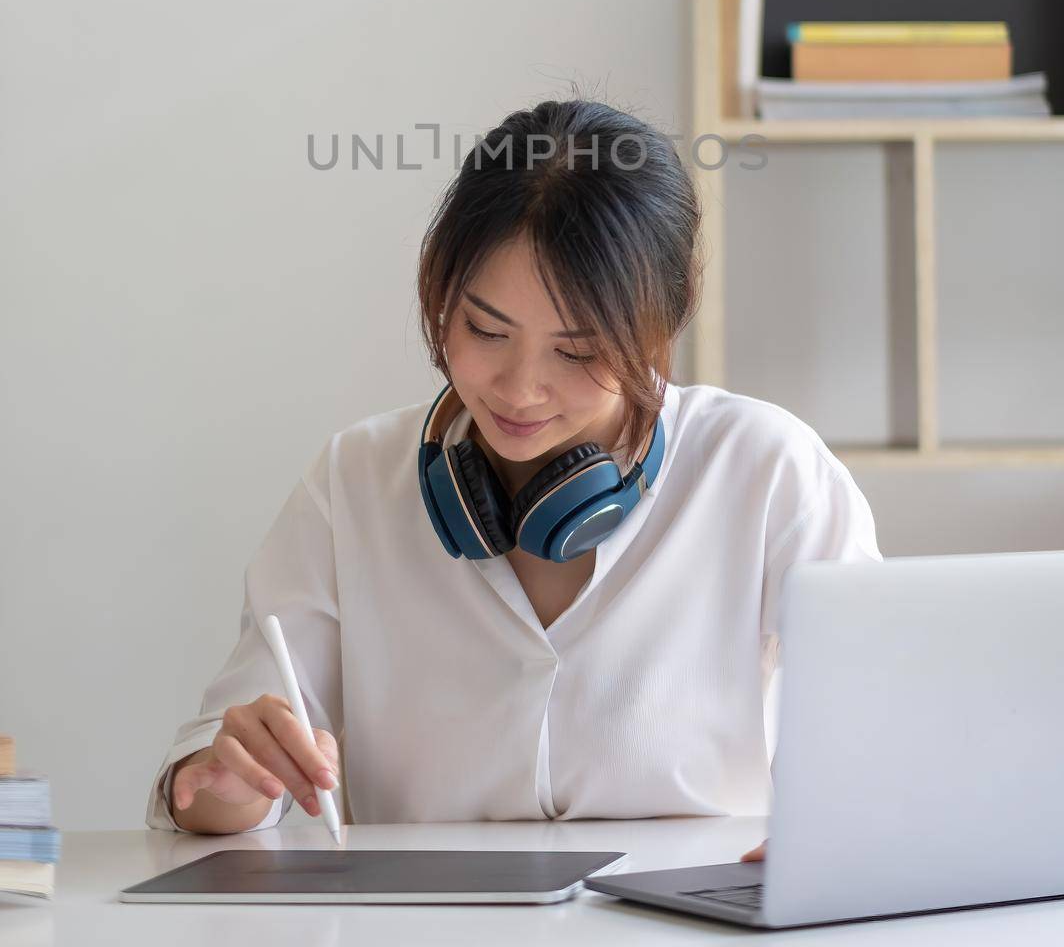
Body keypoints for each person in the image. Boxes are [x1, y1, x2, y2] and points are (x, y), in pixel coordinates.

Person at [146, 96, 881, 850]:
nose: (519, 388)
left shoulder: (765, 469)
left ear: (659, 327)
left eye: (577, 349)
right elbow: (218, 787)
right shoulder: (355, 481)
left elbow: (878, 733)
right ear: (438, 291)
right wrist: (226, 783)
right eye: (485, 330)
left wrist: (833, 832)